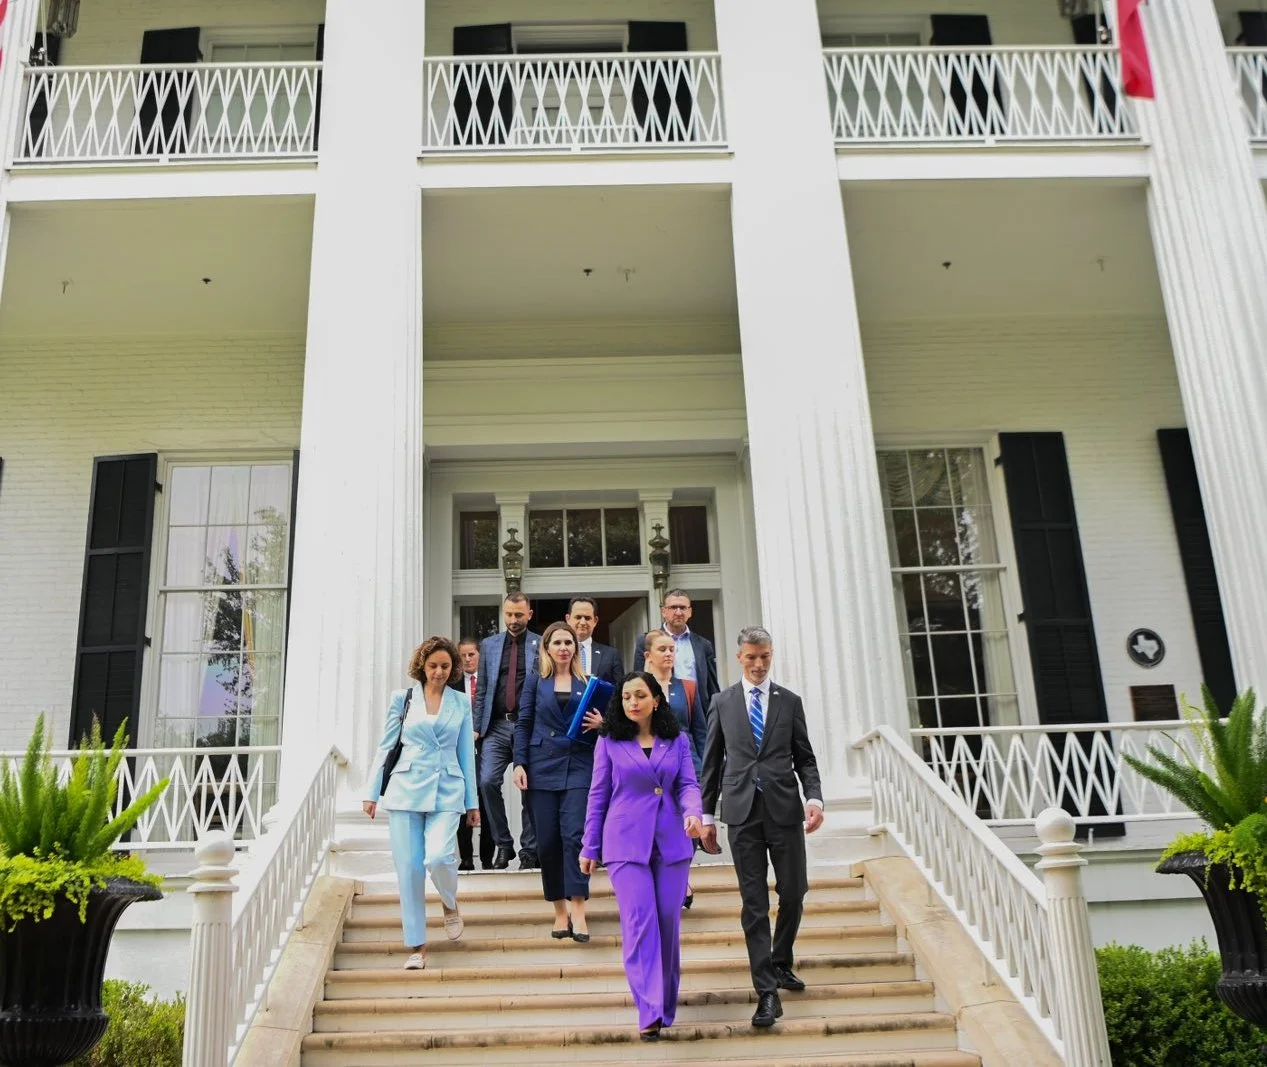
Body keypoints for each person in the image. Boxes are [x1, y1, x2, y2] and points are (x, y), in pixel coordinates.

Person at [698, 626, 823, 1028]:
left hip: (785, 811)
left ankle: (781, 960)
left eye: (764, 656)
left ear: (771, 655)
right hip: (742, 814)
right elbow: (711, 764)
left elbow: (805, 757)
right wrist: (706, 817)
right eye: (751, 657)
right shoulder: (722, 702)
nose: (758, 664)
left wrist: (815, 798)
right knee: (754, 904)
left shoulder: (790, 702)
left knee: (794, 891)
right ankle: (766, 992)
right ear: (739, 657)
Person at [581, 671, 703, 1041]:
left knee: (667, 922)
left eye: (640, 695)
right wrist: (589, 845)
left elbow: (688, 784)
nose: (632, 702)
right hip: (625, 844)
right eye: (626, 697)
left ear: (656, 700)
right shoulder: (609, 741)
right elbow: (598, 795)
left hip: (672, 842)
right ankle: (649, 1010)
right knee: (640, 921)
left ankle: (665, 1004)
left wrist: (693, 813)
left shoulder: (677, 740)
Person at [363, 636, 478, 970]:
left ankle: (449, 901)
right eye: (433, 666)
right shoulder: (402, 700)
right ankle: (417, 946)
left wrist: (472, 802)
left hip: (447, 788)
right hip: (405, 789)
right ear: (422, 666)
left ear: (453, 668)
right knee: (410, 870)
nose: (439, 672)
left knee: (439, 856)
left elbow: (466, 754)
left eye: (445, 666)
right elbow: (386, 747)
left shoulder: (461, 702)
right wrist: (372, 793)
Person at [512, 621, 603, 940]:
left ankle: (578, 908)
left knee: (575, 836)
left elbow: (605, 727)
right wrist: (519, 763)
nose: (563, 648)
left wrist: (603, 724)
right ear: (547, 648)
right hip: (541, 766)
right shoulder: (535, 682)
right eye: (557, 643)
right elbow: (523, 723)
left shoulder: (589, 683)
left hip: (578, 765)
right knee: (548, 840)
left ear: (576, 648)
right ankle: (559, 911)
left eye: (569, 643)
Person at [640, 628, 708, 908]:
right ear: (648, 655)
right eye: (662, 649)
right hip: (652, 763)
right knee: (659, 818)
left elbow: (699, 729)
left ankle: (683, 875)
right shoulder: (639, 688)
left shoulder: (687, 687)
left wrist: (707, 765)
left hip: (687, 759)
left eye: (671, 649)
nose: (668, 654)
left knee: (689, 817)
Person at [474, 594, 541, 870]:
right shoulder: (489, 645)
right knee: (487, 782)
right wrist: (476, 726)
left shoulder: (542, 644)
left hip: (530, 725)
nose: (513, 620)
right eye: (509, 614)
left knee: (530, 789)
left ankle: (529, 851)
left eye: (519, 615)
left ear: (529, 614)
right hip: (496, 726)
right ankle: (503, 844)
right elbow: (482, 689)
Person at [634, 589, 720, 711]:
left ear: (690, 612)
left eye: (683, 608)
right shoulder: (646, 642)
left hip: (696, 711)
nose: (678, 612)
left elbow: (712, 686)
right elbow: (638, 680)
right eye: (673, 607)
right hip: (660, 709)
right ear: (663, 611)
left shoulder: (703, 645)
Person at [450, 637, 494, 871]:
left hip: (487, 745)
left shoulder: (489, 681)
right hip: (460, 747)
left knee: (487, 801)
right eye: (463, 655)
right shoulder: (452, 684)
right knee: (463, 800)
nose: (467, 659)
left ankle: (488, 859)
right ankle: (466, 858)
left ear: (480, 655)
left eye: (471, 654)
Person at [565, 596, 624, 686]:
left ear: (595, 621)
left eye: (587, 618)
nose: (582, 622)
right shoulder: (558, 652)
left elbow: (619, 689)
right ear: (568, 619)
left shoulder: (611, 655)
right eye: (578, 617)